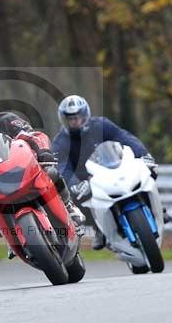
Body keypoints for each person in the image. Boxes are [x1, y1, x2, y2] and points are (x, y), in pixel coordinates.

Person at [0, 94, 84, 256]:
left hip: (22, 169)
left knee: (50, 171)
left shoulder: (7, 120)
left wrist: (43, 152)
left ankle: (69, 207)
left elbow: (33, 136)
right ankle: (9, 233)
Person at [52, 95, 158, 250]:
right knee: (76, 198)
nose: (75, 121)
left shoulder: (101, 125)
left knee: (147, 173)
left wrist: (143, 154)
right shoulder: (60, 141)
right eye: (70, 118)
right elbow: (62, 167)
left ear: (85, 114)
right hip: (86, 181)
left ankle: (158, 209)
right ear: (64, 119)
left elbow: (125, 137)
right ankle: (99, 230)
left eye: (78, 116)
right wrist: (75, 184)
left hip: (112, 167)